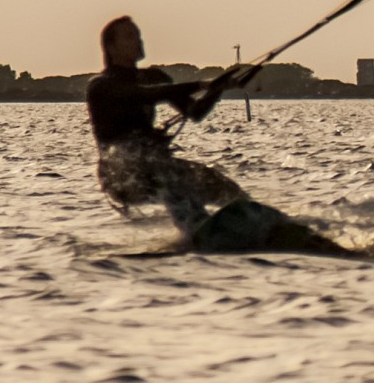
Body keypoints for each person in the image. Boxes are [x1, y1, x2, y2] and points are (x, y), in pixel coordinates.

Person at [86, 15, 254, 230]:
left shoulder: (153, 76)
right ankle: (199, 229)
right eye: (129, 36)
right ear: (111, 47)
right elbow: (144, 95)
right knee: (173, 178)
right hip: (122, 176)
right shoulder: (101, 85)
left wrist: (218, 88)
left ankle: (254, 220)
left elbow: (195, 112)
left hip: (156, 166)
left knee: (216, 182)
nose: (138, 41)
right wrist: (202, 83)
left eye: (138, 35)